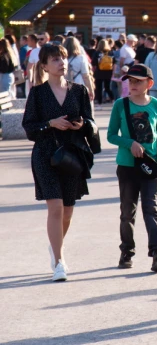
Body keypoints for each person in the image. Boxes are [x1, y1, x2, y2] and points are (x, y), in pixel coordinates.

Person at [21, 44, 97, 281]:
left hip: (72, 155)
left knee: (67, 211)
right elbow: (29, 128)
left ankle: (55, 248)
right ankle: (59, 261)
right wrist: (50, 123)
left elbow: (91, 123)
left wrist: (81, 125)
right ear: (44, 66)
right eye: (55, 59)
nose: (61, 63)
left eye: (63, 58)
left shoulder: (79, 91)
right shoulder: (38, 93)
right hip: (45, 155)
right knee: (55, 207)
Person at [107, 64, 157, 272]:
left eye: (138, 81)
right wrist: (130, 143)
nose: (132, 84)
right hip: (127, 166)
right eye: (130, 81)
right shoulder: (121, 105)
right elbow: (110, 135)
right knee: (128, 211)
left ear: (149, 84)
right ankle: (127, 251)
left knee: (151, 209)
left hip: (150, 167)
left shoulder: (156, 105)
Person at [64, 37, 95, 103]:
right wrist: (90, 90)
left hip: (64, 84)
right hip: (79, 83)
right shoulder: (81, 58)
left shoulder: (62, 58)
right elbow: (86, 76)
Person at [93, 40, 115, 110]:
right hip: (108, 72)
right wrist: (113, 73)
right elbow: (114, 63)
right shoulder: (110, 53)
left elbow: (94, 64)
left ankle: (99, 104)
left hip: (99, 72)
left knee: (99, 88)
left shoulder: (97, 53)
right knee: (107, 87)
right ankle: (113, 100)